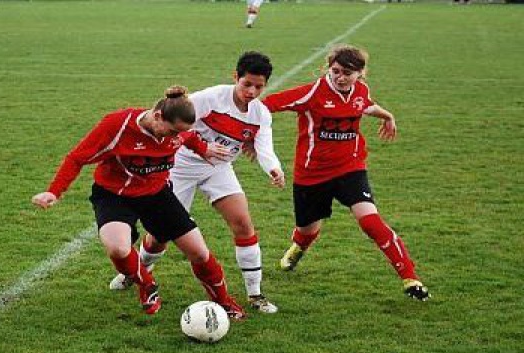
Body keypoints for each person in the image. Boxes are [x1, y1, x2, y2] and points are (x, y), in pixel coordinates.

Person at [31, 86, 246, 318]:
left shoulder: (176, 131)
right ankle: (146, 284)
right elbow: (77, 158)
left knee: (200, 253)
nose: (175, 138)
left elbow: (188, 136)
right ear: (157, 116)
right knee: (118, 247)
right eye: (172, 131)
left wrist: (204, 149)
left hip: (157, 194)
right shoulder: (117, 126)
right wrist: (53, 192)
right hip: (114, 195)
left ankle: (225, 303)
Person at [110, 52, 285, 313]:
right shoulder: (211, 98)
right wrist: (203, 146)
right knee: (160, 236)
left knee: (243, 224)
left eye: (258, 87)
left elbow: (264, 145)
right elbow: (175, 119)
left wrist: (274, 168)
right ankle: (136, 272)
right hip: (180, 166)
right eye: (246, 84)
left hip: (218, 169)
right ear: (235, 77)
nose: (251, 91)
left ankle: (255, 294)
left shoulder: (260, 114)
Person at [262, 44, 430, 301]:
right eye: (336, 71)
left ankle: (410, 278)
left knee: (371, 221)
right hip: (311, 174)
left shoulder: (361, 91)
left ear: (360, 74)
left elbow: (365, 105)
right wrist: (251, 137)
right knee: (307, 229)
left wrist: (387, 115)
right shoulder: (312, 93)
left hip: (350, 167)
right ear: (328, 69)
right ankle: (298, 247)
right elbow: (265, 106)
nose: (340, 77)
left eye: (347, 73)